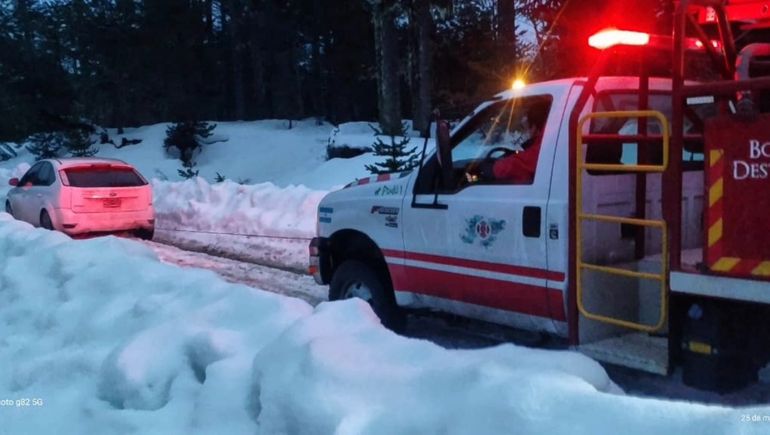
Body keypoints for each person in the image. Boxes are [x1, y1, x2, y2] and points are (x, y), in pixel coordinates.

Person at [483, 104, 548, 184]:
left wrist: (493, 168)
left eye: (526, 127)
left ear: (534, 127)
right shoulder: (550, 139)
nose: (527, 132)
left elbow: (519, 164)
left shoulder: (547, 145)